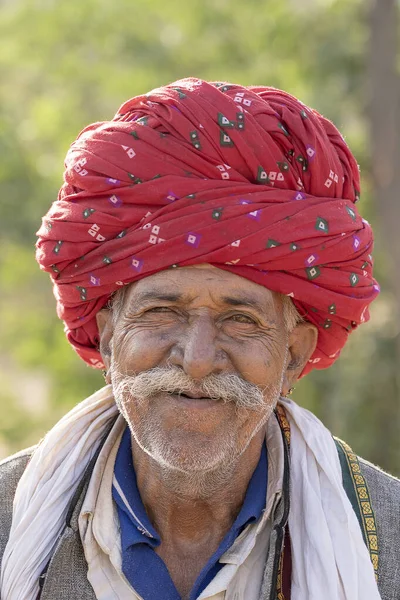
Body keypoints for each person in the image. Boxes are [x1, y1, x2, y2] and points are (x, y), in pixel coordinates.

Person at [0, 78, 398, 600]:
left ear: (294, 354)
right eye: (161, 313)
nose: (197, 360)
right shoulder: (11, 519)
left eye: (240, 320)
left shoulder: (383, 537)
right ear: (106, 336)